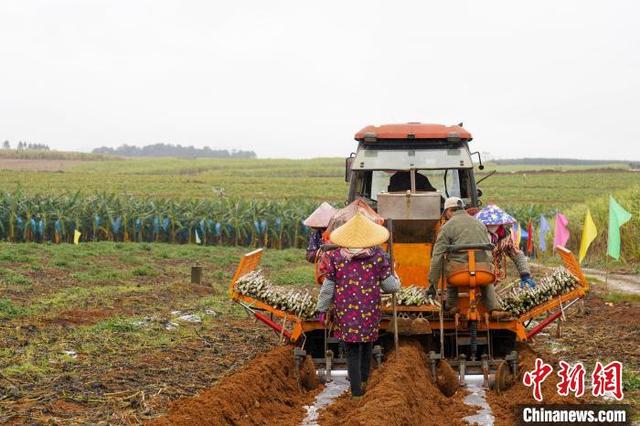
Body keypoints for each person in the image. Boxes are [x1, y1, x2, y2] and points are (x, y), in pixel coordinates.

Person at [315, 213, 400, 399]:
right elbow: (390, 286)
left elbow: (329, 286)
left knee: (352, 350)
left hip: (345, 311)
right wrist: (397, 277)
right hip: (369, 311)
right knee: (367, 343)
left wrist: (321, 308)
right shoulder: (378, 256)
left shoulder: (336, 256)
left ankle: (356, 392)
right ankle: (363, 381)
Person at [428, 197, 510, 320]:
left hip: (459, 275)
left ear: (449, 211)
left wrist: (432, 285)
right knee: (485, 276)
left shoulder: (447, 227)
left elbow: (437, 258)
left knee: (446, 263)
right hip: (484, 274)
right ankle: (494, 308)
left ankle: (451, 306)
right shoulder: (480, 224)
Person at [475, 205, 536, 288]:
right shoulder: (476, 234)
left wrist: (525, 274)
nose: (492, 226)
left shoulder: (505, 236)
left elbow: (516, 254)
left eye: (495, 224)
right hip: (478, 271)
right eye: (489, 224)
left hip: (495, 275)